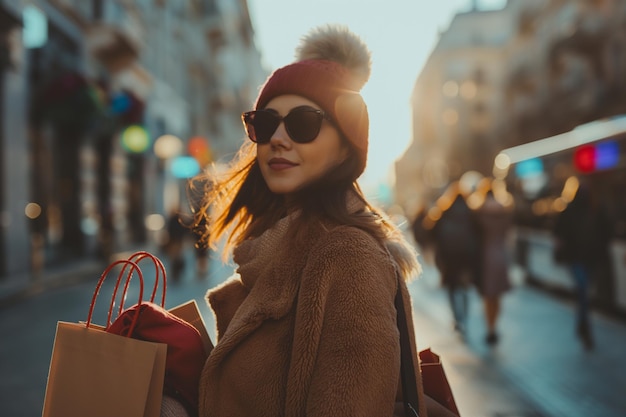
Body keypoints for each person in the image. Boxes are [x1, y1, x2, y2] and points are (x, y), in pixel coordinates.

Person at [180, 25, 457, 417]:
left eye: (303, 123)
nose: (278, 137)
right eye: (265, 122)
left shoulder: (347, 256)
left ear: (346, 146)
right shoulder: (277, 250)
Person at [553, 179, 612, 350]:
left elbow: (558, 233)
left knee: (584, 291)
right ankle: (584, 326)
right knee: (584, 291)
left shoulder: (576, 210)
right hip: (585, 259)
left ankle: (582, 324)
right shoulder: (596, 209)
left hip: (580, 258)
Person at [431, 181, 482, 337]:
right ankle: (465, 319)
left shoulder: (443, 211)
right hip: (467, 257)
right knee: (465, 288)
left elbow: (432, 233)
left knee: (452, 289)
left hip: (449, 258)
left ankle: (457, 319)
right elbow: (480, 234)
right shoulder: (472, 212)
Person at [473, 180, 514, 346]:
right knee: (497, 296)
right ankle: (494, 326)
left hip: (485, 257)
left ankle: (490, 328)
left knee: (488, 296)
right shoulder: (504, 210)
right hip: (501, 256)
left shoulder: (479, 212)